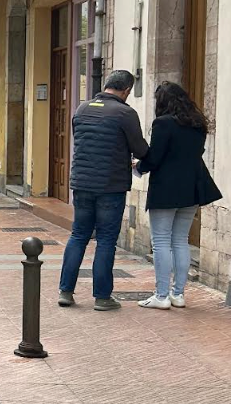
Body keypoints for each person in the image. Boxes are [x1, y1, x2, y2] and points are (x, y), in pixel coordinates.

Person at [59, 70, 149, 312]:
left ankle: (66, 291)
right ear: (127, 90)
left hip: (82, 183)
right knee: (106, 240)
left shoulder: (82, 109)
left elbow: (80, 139)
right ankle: (101, 297)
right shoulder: (125, 113)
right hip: (111, 185)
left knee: (78, 235)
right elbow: (140, 149)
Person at [134, 82, 222, 310]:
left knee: (161, 241)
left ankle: (161, 295)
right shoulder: (197, 124)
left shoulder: (163, 123)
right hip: (192, 187)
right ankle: (178, 294)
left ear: (162, 102)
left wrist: (138, 166)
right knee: (180, 240)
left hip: (166, 188)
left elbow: (155, 158)